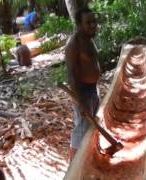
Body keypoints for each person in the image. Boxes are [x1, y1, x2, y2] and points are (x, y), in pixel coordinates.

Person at [65, 6, 100, 161]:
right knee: (80, 131)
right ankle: (72, 171)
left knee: (91, 127)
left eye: (94, 21)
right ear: (79, 25)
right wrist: (79, 102)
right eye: (88, 22)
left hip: (93, 90)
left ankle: (87, 161)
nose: (93, 25)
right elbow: (71, 75)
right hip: (83, 92)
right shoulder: (74, 44)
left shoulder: (89, 39)